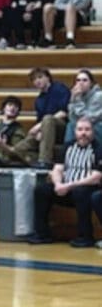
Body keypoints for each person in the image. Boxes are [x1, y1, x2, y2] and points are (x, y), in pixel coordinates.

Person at [28, 117, 102, 247]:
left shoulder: (98, 148)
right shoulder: (67, 146)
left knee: (81, 192)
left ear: (92, 132)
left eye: (87, 129)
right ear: (75, 132)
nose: (83, 133)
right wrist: (58, 184)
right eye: (80, 129)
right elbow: (57, 169)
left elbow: (96, 177)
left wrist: (69, 185)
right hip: (66, 188)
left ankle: (85, 236)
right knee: (41, 190)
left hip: (86, 188)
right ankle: (42, 233)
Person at [11, 68, 70, 168]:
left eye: (40, 77)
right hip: (46, 127)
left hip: (62, 127)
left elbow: (65, 112)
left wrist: (40, 126)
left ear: (48, 78)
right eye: (34, 79)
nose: (37, 81)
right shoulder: (39, 100)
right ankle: (37, 162)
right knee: (18, 149)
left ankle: (45, 160)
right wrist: (39, 130)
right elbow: (39, 120)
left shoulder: (59, 88)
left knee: (48, 119)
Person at [64, 69, 102, 144]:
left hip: (97, 125)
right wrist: (73, 100)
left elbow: (88, 118)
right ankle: (69, 152)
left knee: (86, 127)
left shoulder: (99, 96)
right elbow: (72, 118)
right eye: (78, 80)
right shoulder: (76, 95)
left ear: (91, 83)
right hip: (82, 126)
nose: (81, 83)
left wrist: (77, 100)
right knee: (71, 125)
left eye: (84, 80)